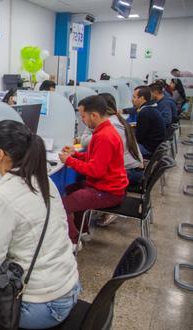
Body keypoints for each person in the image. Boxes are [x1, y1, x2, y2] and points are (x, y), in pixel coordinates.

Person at [0, 120, 80, 329]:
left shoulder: (2, 197)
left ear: (0, 154)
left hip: (43, 306)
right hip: (69, 286)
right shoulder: (43, 180)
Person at [60, 95, 128, 245]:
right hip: (104, 186)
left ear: (94, 115)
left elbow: (95, 171)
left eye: (83, 116)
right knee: (71, 190)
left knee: (61, 206)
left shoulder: (104, 136)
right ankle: (82, 232)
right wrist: (76, 154)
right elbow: (96, 158)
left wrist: (69, 161)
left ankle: (73, 242)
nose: (82, 120)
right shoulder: (104, 131)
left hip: (107, 192)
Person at [99, 93, 144, 186]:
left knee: (88, 175)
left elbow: (84, 142)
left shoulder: (111, 125)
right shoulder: (118, 120)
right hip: (134, 168)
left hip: (130, 173)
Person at [132, 86, 166, 158]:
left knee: (122, 149)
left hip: (148, 148)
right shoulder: (151, 108)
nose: (132, 100)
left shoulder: (145, 112)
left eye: (134, 97)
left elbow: (139, 137)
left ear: (141, 98)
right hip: (155, 146)